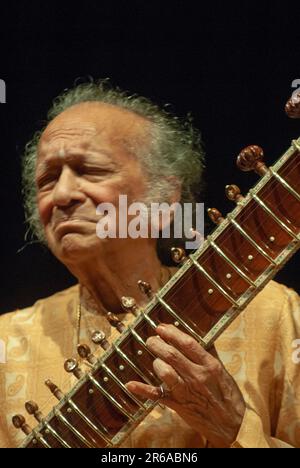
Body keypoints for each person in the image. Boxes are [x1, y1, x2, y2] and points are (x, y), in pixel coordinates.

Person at [0, 80, 299, 448]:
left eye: (89, 170)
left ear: (164, 199)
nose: (61, 195)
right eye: (47, 180)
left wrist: (232, 426)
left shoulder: (274, 314)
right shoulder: (7, 344)